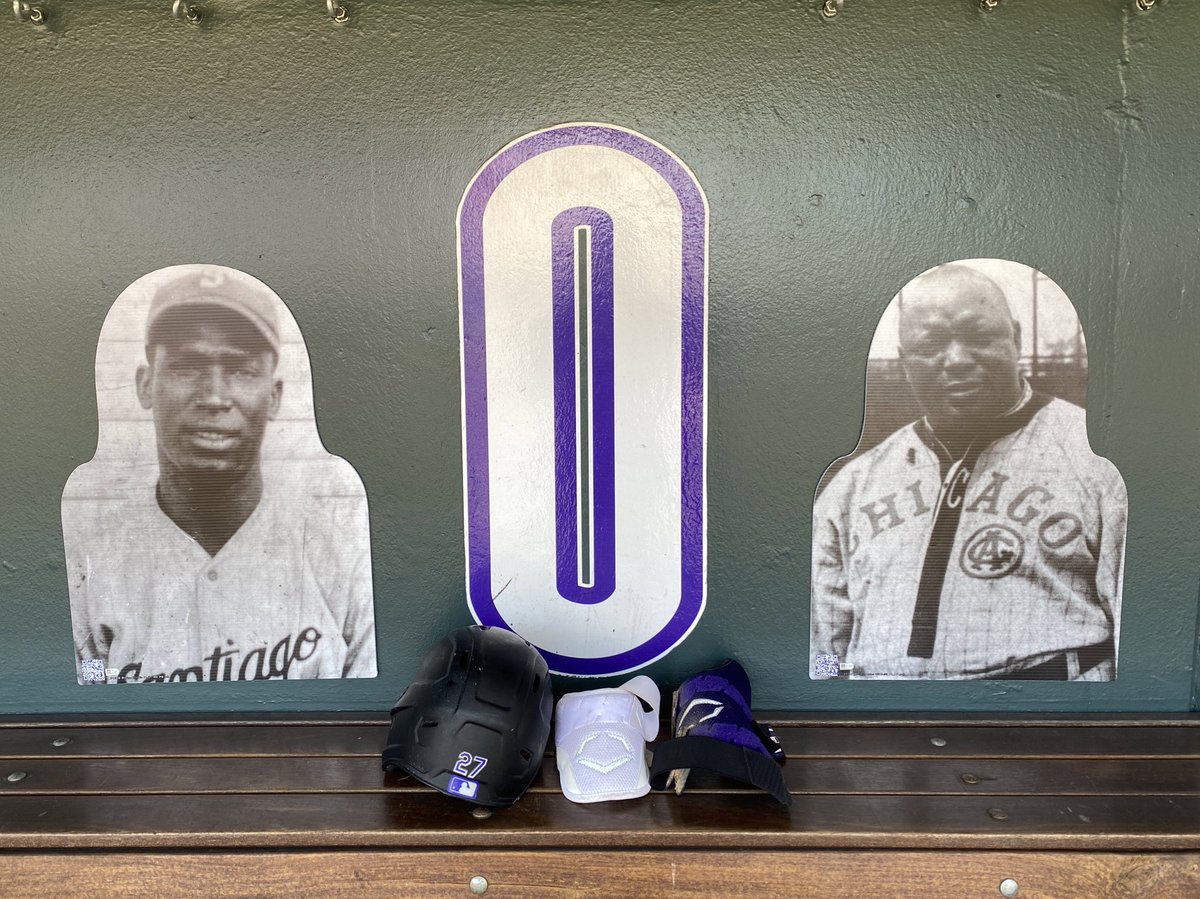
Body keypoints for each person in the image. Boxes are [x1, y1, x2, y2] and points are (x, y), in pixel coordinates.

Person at [810, 263, 1126, 681]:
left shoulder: (1094, 458)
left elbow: (1133, 629)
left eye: (978, 337)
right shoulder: (853, 484)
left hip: (1047, 711)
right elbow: (826, 644)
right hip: (885, 720)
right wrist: (830, 696)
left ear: (1015, 339)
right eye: (930, 344)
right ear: (906, 362)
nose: (956, 360)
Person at [63, 266, 377, 683]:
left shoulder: (340, 558)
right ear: (145, 385)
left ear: (274, 396)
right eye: (186, 367)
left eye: (243, 371)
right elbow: (88, 702)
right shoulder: (94, 570)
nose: (213, 397)